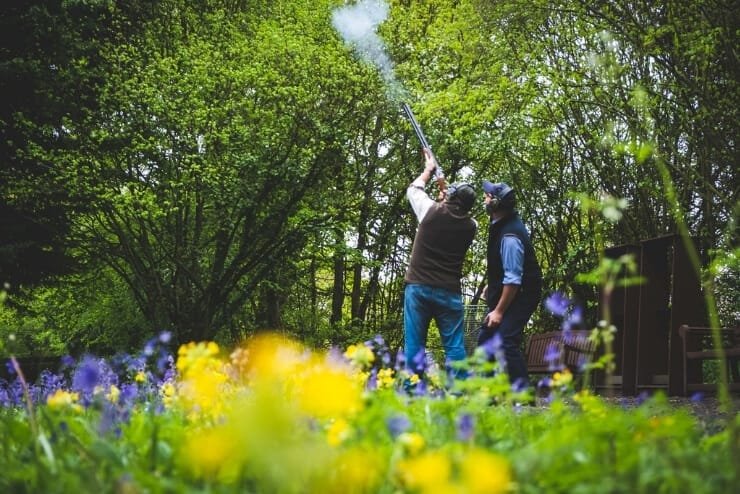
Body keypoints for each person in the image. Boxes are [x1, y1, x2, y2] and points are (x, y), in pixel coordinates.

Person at [404, 148, 477, 378]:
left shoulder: (429, 210)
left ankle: (413, 390)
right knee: (455, 347)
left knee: (415, 345)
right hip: (449, 292)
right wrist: (446, 191)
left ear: (451, 198)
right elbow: (453, 210)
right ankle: (460, 393)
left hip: (419, 288)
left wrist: (428, 171)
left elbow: (414, 189)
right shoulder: (471, 225)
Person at [476, 180, 543, 388]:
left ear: (496, 204)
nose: (484, 198)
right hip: (512, 289)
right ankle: (488, 394)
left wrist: (498, 311)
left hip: (522, 294)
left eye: (488, 196)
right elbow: (503, 269)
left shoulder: (510, 236)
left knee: (506, 341)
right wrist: (492, 284)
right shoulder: (501, 225)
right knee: (485, 339)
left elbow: (514, 279)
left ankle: (524, 398)